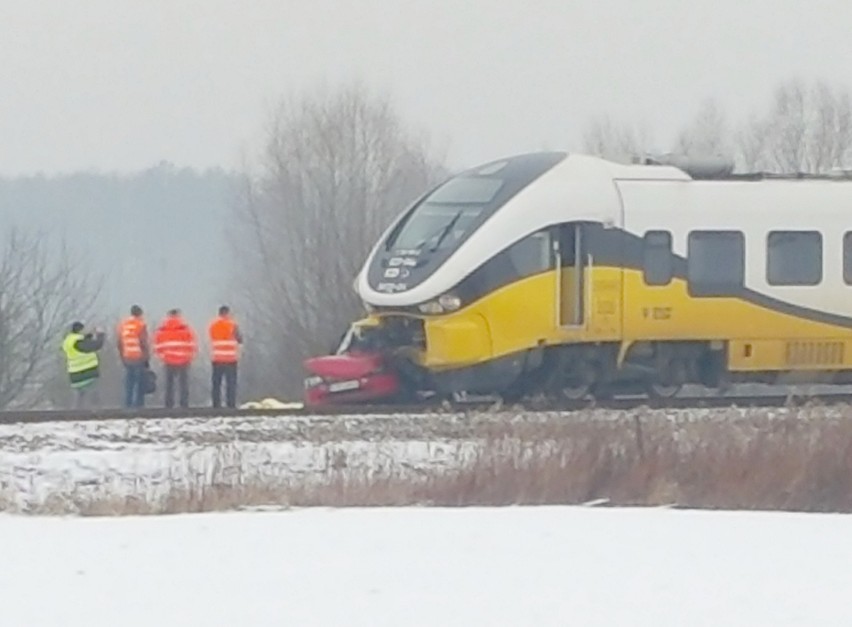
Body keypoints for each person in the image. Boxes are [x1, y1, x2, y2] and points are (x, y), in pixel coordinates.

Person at [153, 308, 197, 408]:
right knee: (183, 384)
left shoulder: (162, 330)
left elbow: (157, 346)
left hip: (168, 360)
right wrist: (190, 357)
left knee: (169, 384)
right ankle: (184, 404)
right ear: (178, 315)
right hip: (183, 360)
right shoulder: (185, 329)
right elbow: (192, 344)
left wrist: (162, 357)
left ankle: (168, 404)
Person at [61, 322, 106, 409]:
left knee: (79, 397)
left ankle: (75, 415)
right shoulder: (78, 341)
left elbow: (81, 346)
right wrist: (100, 335)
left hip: (74, 373)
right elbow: (95, 345)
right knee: (93, 396)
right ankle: (97, 413)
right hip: (87, 372)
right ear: (80, 330)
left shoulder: (69, 340)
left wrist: (88, 336)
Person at [208, 305, 243, 408]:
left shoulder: (213, 325)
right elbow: (240, 339)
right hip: (230, 359)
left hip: (217, 358)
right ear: (227, 313)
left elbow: (212, 337)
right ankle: (231, 404)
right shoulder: (233, 325)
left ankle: (216, 404)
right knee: (231, 383)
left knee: (216, 383)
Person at [116, 305, 149, 407]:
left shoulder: (123, 324)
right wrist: (146, 357)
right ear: (140, 314)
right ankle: (139, 404)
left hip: (127, 356)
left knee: (129, 381)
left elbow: (119, 342)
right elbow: (143, 342)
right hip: (138, 356)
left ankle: (128, 403)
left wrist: (122, 356)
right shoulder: (140, 324)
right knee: (139, 382)